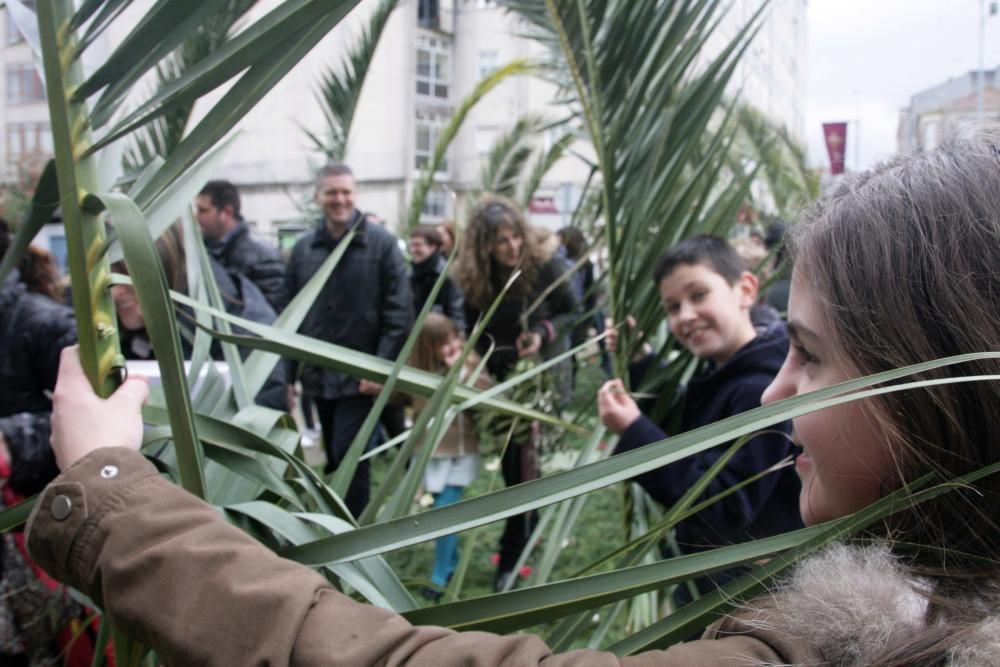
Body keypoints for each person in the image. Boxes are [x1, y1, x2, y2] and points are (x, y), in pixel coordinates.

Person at [23, 134, 1000, 663]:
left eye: (816, 357)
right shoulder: (883, 616)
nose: (781, 392)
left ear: (935, 383)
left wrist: (115, 496)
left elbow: (723, 496)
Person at [598, 235, 801, 604]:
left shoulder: (761, 390)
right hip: (716, 583)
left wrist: (634, 431)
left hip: (746, 597)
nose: (686, 315)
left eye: (699, 295)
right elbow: (693, 437)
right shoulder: (726, 372)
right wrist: (642, 360)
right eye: (672, 307)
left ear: (745, 289)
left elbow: (724, 506)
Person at [454, 196, 580, 591]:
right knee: (521, 468)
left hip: (540, 379)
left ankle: (511, 559)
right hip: (500, 385)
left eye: (515, 237)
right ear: (483, 247)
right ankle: (531, 528)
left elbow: (574, 308)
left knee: (520, 471)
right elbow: (472, 326)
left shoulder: (545, 264)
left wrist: (542, 333)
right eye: (500, 241)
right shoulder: (476, 279)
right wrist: (474, 362)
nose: (511, 247)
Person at [284, 164, 412, 517]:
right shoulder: (304, 250)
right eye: (331, 192)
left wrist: (380, 366)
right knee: (333, 455)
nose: (339, 199)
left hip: (361, 379)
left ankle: (353, 535)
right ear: (318, 196)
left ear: (355, 195)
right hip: (318, 378)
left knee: (350, 456)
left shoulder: (382, 245)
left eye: (346, 192)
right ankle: (333, 522)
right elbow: (289, 315)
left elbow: (399, 312)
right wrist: (289, 375)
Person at [111, 224, 287, 411]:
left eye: (125, 277)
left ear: (163, 268)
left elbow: (260, 415)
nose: (114, 293)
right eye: (110, 277)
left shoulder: (242, 330)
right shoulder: (118, 325)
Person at [406, 313, 489, 602]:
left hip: (459, 452)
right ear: (427, 348)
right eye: (444, 343)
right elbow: (402, 396)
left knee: (444, 510)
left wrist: (463, 373)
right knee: (439, 510)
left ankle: (440, 572)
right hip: (429, 452)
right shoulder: (419, 370)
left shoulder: (469, 363)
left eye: (455, 337)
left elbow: (488, 393)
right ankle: (450, 559)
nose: (454, 345)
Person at [196, 179, 287, 311]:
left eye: (203, 210)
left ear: (226, 212)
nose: (196, 216)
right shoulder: (202, 250)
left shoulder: (263, 257)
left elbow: (269, 314)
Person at [409, 225, 465, 332]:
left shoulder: (447, 276)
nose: (414, 250)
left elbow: (457, 315)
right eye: (411, 245)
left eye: (418, 245)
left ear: (433, 246)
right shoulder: (409, 276)